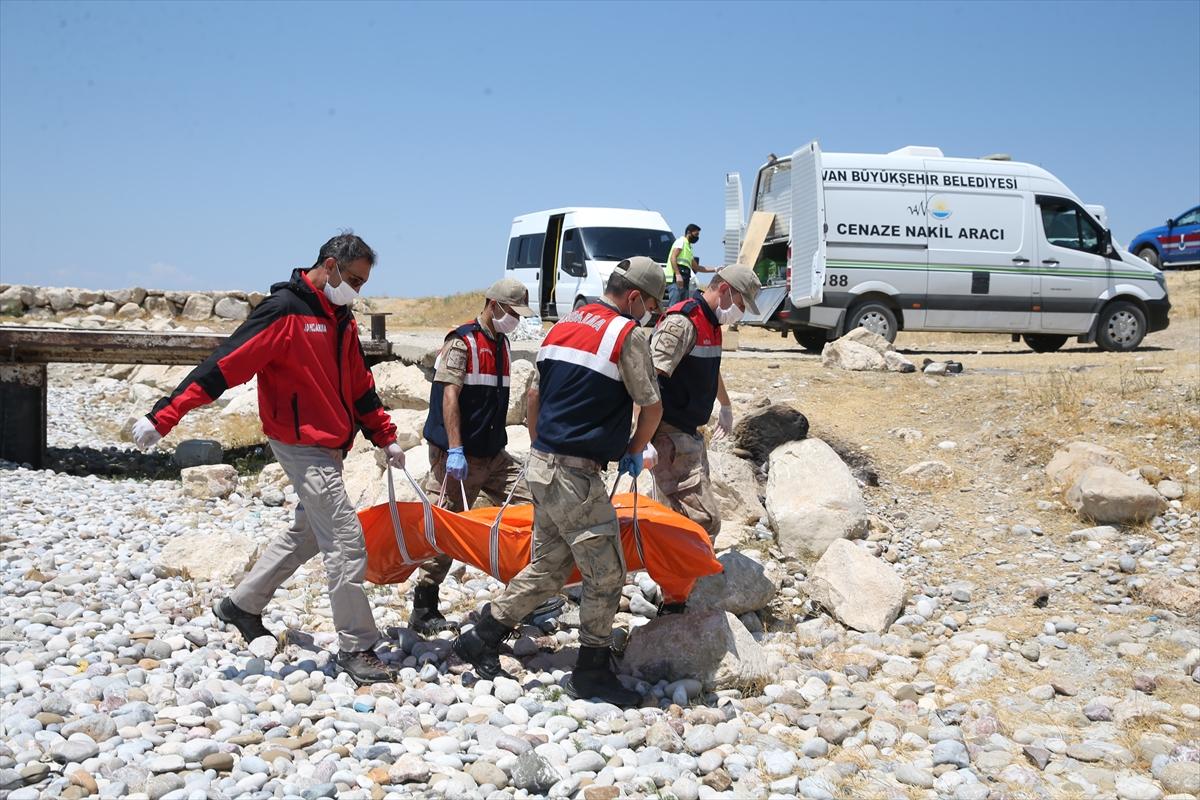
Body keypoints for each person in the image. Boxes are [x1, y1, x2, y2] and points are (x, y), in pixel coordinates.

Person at [130, 232, 406, 686]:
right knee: (344, 539)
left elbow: (360, 387)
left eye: (362, 284)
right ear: (331, 265)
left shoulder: (341, 319)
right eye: (354, 279)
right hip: (300, 444)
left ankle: (241, 604)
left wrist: (384, 437)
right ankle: (357, 647)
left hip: (332, 444)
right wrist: (165, 414)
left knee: (309, 534)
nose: (357, 290)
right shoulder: (285, 312)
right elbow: (225, 364)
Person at [451, 256, 665, 707]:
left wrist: (540, 443)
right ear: (633, 297)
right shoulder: (626, 334)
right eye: (649, 305)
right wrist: (633, 449)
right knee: (606, 572)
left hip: (543, 464)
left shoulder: (564, 325)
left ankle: (482, 635)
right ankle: (590, 672)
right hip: (576, 475)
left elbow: (534, 393)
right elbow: (651, 407)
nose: (649, 313)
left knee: (548, 567)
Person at [409, 278, 537, 634]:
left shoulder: (502, 343)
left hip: (494, 455)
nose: (515, 319)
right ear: (493, 305)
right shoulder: (462, 342)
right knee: (447, 529)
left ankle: (529, 592)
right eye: (512, 312)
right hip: (460, 456)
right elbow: (450, 396)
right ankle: (424, 605)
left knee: (537, 505)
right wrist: (454, 449)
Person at [648, 264, 762, 614]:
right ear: (725, 289)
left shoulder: (712, 324)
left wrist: (725, 404)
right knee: (703, 520)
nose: (740, 312)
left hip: (691, 435)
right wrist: (641, 435)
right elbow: (649, 375)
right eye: (741, 302)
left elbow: (709, 369)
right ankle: (676, 597)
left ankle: (675, 592)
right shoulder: (683, 321)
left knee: (684, 519)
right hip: (670, 433)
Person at [666, 224, 717, 306]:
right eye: (696, 234)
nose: (697, 237)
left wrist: (715, 269)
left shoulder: (689, 248)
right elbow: (673, 257)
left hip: (684, 282)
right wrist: (678, 275)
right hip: (676, 281)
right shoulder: (681, 241)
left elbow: (697, 268)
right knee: (673, 308)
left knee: (681, 308)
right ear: (689, 232)